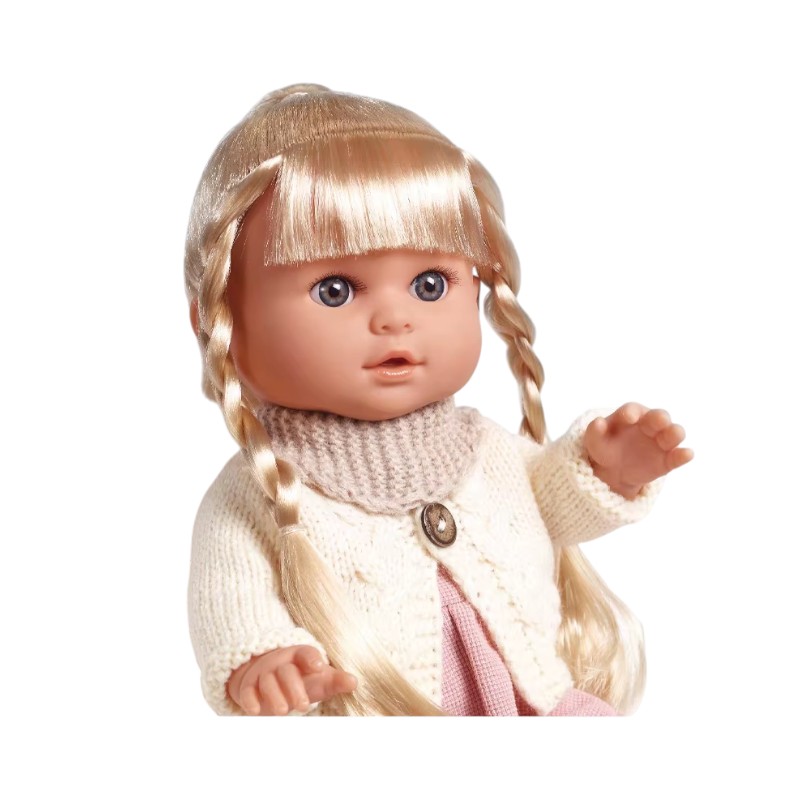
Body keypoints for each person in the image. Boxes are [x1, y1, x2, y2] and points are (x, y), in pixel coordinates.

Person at [184, 84, 693, 716]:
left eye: (429, 284)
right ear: (219, 320)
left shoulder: (486, 450)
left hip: (535, 706)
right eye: (335, 290)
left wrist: (604, 472)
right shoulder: (258, 494)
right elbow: (230, 597)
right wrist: (260, 662)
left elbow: (547, 514)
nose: (394, 318)